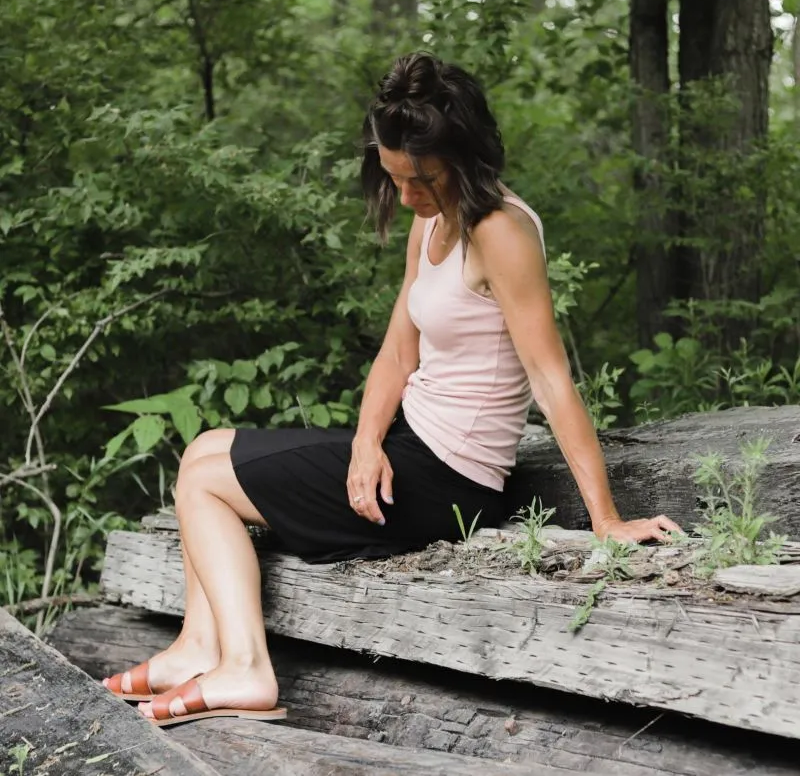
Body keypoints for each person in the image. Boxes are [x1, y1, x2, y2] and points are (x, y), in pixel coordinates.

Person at [103, 51, 680, 726]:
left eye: (422, 180)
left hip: (451, 481)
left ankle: (246, 668)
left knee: (207, 482)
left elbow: (551, 380)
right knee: (202, 451)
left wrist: (606, 518)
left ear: (465, 158)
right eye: (394, 177)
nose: (407, 196)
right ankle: (195, 647)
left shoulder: (502, 233)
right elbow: (398, 350)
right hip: (408, 449)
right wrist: (366, 441)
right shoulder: (429, 222)